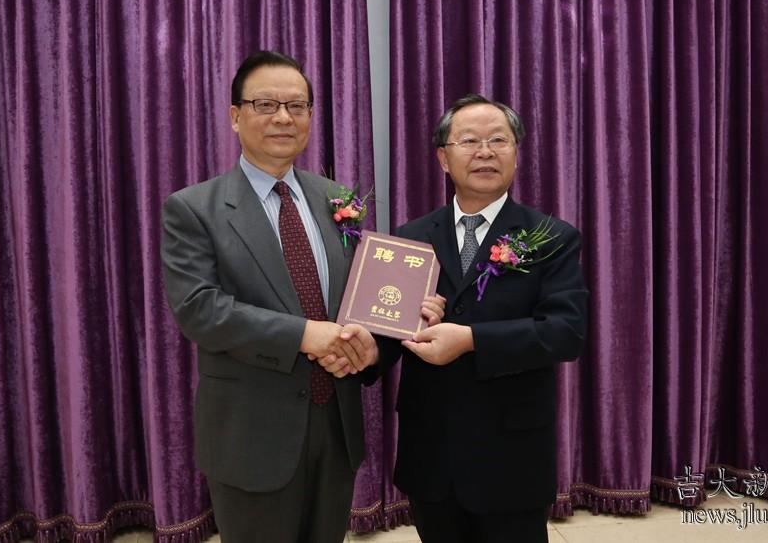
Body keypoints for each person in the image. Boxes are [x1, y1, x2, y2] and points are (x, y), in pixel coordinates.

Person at [161, 50, 433, 543]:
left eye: (297, 105)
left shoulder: (336, 199)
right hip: (252, 433)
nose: (284, 117)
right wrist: (307, 335)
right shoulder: (194, 208)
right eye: (265, 104)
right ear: (235, 116)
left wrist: (379, 338)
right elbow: (200, 310)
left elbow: (361, 298)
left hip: (335, 428)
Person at [323, 94, 589, 542]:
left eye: (498, 140)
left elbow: (565, 333)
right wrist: (369, 351)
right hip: (432, 452)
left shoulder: (550, 238)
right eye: (469, 141)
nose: (485, 152)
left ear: (516, 153)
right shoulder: (411, 236)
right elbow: (392, 326)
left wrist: (470, 340)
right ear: (443, 158)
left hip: (512, 455)